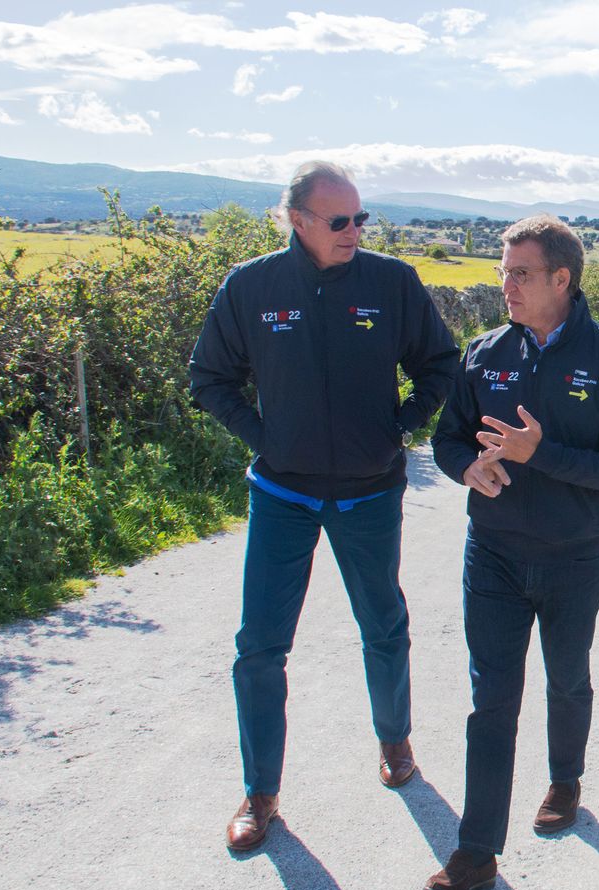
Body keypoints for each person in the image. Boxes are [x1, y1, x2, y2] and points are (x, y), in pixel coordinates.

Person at [189, 161, 459, 853]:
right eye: (339, 221)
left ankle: (395, 742)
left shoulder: (391, 282)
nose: (354, 232)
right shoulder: (251, 286)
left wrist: (401, 426)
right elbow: (209, 378)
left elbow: (440, 363)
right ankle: (260, 794)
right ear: (296, 220)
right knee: (259, 647)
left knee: (384, 625)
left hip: (370, 490)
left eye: (360, 218)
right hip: (283, 494)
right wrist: (265, 438)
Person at [425, 215, 599, 890]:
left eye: (520, 274)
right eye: (504, 272)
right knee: (491, 699)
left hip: (573, 558)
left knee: (567, 679)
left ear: (561, 278)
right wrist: (468, 467)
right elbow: (447, 439)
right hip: (492, 554)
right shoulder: (485, 352)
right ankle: (476, 851)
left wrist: (539, 453)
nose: (507, 286)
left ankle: (565, 781)